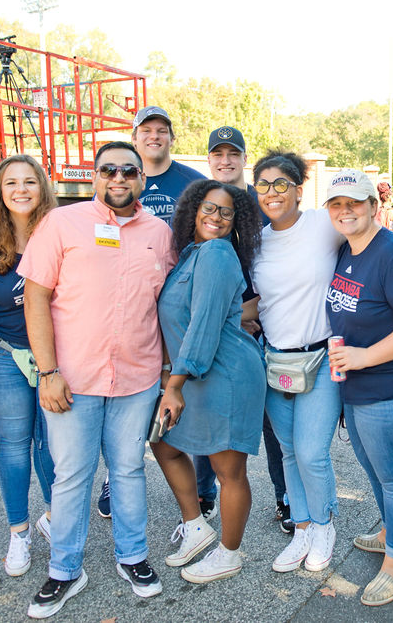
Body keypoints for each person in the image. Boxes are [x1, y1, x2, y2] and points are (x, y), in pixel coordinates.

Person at [19, 141, 177, 618]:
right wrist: (47, 372)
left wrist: (170, 377)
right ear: (94, 176)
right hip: (72, 378)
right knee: (71, 475)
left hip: (138, 377)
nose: (118, 178)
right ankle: (65, 570)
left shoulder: (160, 233)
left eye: (128, 171)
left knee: (128, 469)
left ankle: (133, 557)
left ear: (142, 180)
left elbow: (166, 307)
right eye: (108, 170)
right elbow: (35, 298)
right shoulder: (61, 224)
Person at [324, 168, 393, 607]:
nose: (345, 210)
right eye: (337, 204)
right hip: (358, 388)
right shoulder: (347, 250)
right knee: (376, 474)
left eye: (355, 202)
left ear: (375, 206)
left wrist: (364, 357)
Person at [92, 106, 209, 522]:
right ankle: (113, 477)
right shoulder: (114, 182)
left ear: (171, 138)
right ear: (135, 137)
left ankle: (203, 485)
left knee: (187, 392)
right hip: (129, 305)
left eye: (162, 130)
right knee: (123, 399)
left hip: (177, 299)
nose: (154, 136)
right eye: (146, 130)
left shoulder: (192, 182)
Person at [152, 179, 266, 584]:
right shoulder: (190, 255)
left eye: (226, 212)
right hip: (194, 372)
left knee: (227, 470)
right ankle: (197, 527)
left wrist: (174, 383)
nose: (215, 217)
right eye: (209, 208)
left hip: (227, 375)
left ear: (237, 222)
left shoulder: (218, 253)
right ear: (192, 210)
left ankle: (229, 554)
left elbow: (201, 326)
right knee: (163, 444)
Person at [0, 155, 58, 577]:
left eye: (29, 181)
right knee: (14, 442)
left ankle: (57, 519)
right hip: (3, 355)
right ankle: (19, 531)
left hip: (55, 356)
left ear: (42, 187)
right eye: (10, 183)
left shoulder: (60, 233)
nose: (20, 189)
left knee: (55, 442)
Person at [250, 152, 342, 574]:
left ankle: (324, 526)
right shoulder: (254, 241)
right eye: (264, 184)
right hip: (274, 361)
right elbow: (255, 301)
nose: (272, 192)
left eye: (281, 183)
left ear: (299, 190)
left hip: (321, 357)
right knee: (288, 451)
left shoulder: (323, 225)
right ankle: (302, 527)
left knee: (311, 451)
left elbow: (370, 238)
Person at [204, 126, 291, 532]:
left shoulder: (265, 207)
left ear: (243, 159)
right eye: (218, 154)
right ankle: (206, 497)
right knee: (210, 420)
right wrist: (232, 316)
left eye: (233, 154)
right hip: (222, 334)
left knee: (274, 423)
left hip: (267, 332)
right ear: (209, 160)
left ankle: (286, 498)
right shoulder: (203, 206)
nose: (226, 161)